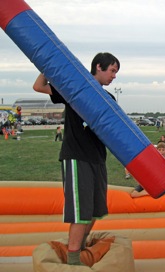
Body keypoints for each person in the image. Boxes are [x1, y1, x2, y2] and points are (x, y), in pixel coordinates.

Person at [33, 52, 120, 266]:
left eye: (116, 72)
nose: (114, 76)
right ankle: (73, 260)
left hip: (98, 159)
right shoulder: (75, 89)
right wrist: (49, 63)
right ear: (98, 66)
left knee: (95, 210)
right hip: (77, 156)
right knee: (81, 211)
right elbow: (38, 86)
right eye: (112, 71)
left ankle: (79, 249)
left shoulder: (108, 98)